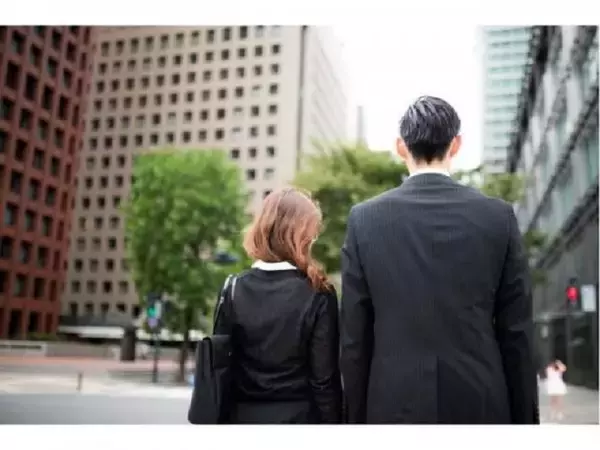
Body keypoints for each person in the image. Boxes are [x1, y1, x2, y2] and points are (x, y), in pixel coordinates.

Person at [340, 95, 540, 424]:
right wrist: (524, 426)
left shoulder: (364, 220)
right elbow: (517, 333)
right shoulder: (498, 217)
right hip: (481, 404)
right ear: (456, 144)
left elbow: (354, 337)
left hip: (391, 404)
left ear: (401, 147)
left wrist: (355, 423)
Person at [214, 187, 342, 424]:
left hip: (241, 420)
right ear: (301, 237)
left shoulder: (232, 288)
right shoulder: (319, 293)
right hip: (298, 421)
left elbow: (221, 367)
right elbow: (323, 379)